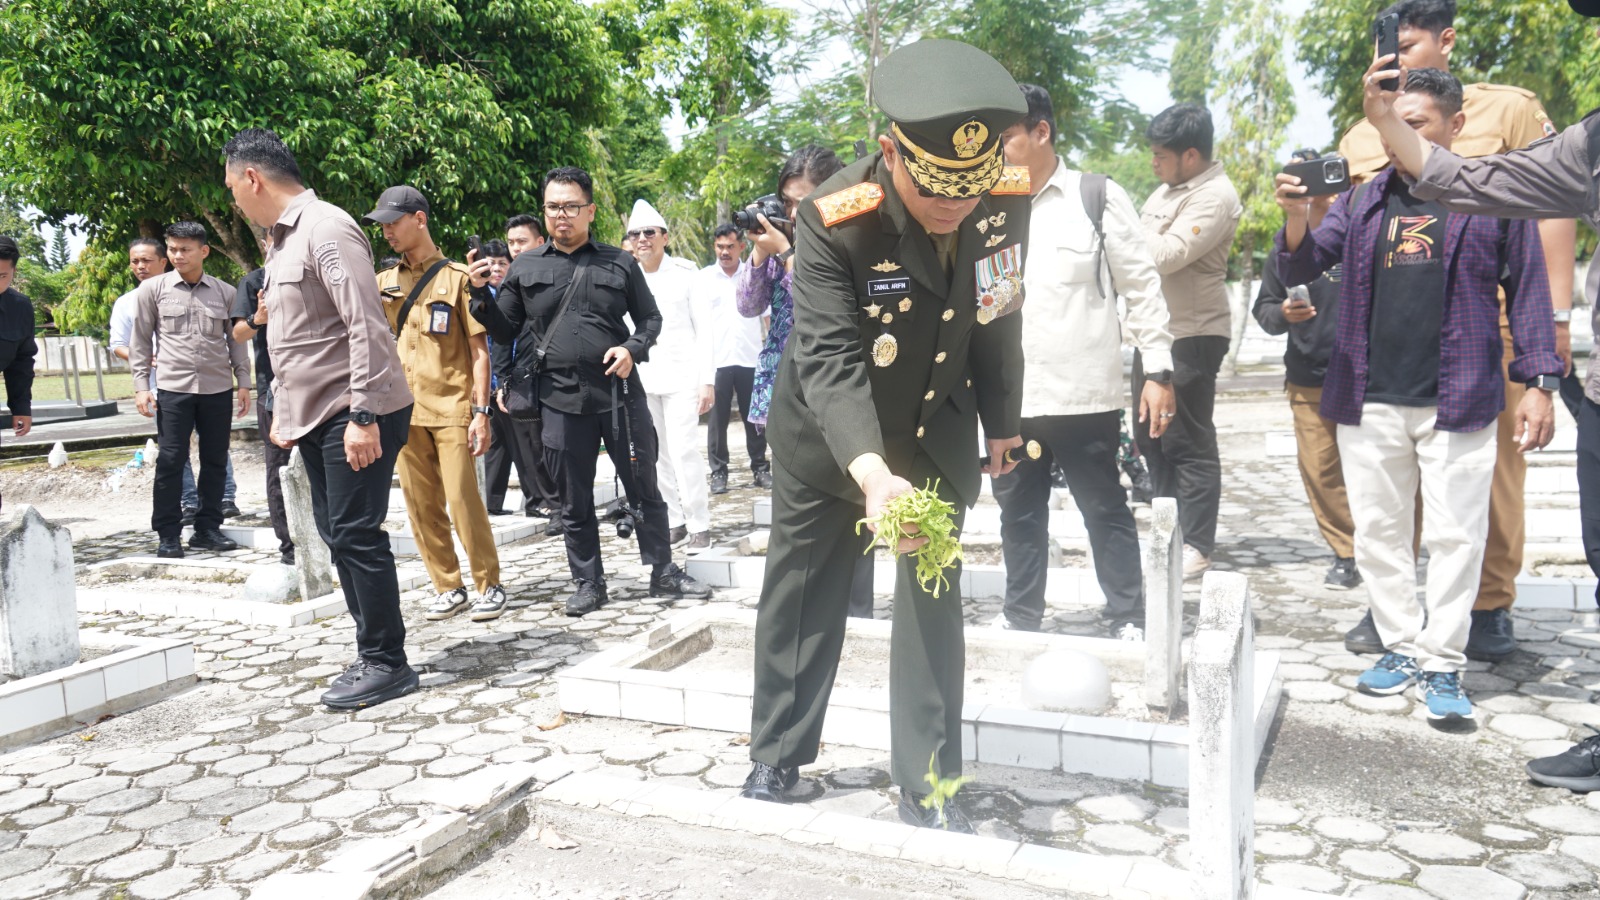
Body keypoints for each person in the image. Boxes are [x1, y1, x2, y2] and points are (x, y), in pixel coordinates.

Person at [740, 39, 1031, 833]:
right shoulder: (834, 218)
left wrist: (1003, 423)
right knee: (804, 585)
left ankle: (928, 781)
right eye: (936, 189)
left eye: (968, 190)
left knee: (932, 592)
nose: (954, 207)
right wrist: (871, 474)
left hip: (935, 426)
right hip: (827, 433)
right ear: (890, 152)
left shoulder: (1004, 200)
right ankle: (777, 754)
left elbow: (996, 313)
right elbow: (830, 358)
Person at [1350, 0, 1600, 784]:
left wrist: (1543, 365)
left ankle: (1464, 637)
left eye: (1409, 44)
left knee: (1470, 520)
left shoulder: (1511, 111)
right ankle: (1404, 644)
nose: (1398, 60)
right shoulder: (1369, 160)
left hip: (1466, 368)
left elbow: (1536, 242)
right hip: (1381, 383)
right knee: (1386, 526)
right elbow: (1327, 253)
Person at [1275, 67, 1561, 724]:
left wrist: (1540, 383)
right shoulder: (1362, 200)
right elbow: (1303, 264)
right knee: (1379, 532)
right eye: (1388, 122)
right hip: (1369, 394)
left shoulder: (1490, 194)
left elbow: (1528, 290)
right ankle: (1401, 645)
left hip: (1458, 395)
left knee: (1458, 536)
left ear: (1455, 125)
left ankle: (1444, 662)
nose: (1395, 135)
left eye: (1415, 123)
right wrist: (1296, 216)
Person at [223, 127, 418, 710]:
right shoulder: (281, 241)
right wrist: (285, 411)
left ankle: (387, 662)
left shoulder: (326, 228)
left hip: (353, 409)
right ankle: (372, 651)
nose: (234, 198)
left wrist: (363, 414)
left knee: (356, 534)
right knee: (337, 535)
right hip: (317, 414)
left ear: (252, 178)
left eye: (232, 187)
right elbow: (295, 340)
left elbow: (365, 324)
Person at [467, 167, 711, 616]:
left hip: (620, 396)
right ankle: (588, 582)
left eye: (571, 206)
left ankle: (663, 571)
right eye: (553, 207)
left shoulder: (619, 263)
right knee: (572, 496)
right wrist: (481, 294)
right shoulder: (526, 266)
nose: (562, 215)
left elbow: (651, 319)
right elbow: (504, 329)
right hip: (558, 400)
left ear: (590, 211)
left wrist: (632, 349)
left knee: (644, 485)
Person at [992, 83, 1177, 639]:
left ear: (1041, 132)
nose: (994, 150)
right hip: (1010, 399)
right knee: (1018, 512)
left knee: (1104, 507)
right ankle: (1020, 615)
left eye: (1005, 137)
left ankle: (1127, 614)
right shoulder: (986, 204)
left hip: (1082, 394)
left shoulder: (1095, 196)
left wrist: (1158, 371)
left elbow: (1141, 287)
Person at [737, 147, 882, 618]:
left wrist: (788, 254)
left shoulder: (849, 236)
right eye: (788, 202)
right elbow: (747, 305)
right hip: (786, 394)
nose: (796, 213)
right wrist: (761, 253)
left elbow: (819, 307)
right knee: (796, 517)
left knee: (852, 509)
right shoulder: (780, 239)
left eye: (806, 201)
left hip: (835, 392)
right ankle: (808, 615)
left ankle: (854, 612)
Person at [368, 185, 507, 623]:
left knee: (463, 500)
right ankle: (448, 587)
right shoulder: (382, 283)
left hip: (451, 408)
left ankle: (489, 583)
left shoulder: (459, 279)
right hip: (402, 410)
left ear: (419, 219)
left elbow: (480, 352)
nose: (387, 232)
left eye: (393, 222)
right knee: (420, 504)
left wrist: (481, 412)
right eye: (383, 225)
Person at [1137, 103, 1242, 580]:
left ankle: (1197, 544)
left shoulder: (1215, 196)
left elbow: (1167, 253)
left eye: (1161, 155)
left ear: (1192, 155)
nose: (1154, 163)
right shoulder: (1167, 191)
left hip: (1194, 334)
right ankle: (1169, 534)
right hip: (1157, 335)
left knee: (1188, 440)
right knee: (1151, 437)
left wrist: (1122, 232)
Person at [1252, 150, 1360, 591]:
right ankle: (1346, 552)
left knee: (1373, 468)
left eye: (1317, 178)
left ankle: (1383, 546)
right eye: (1298, 179)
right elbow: (1263, 310)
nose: (1310, 189)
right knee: (1320, 470)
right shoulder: (1285, 248)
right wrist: (1282, 312)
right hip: (1308, 377)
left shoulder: (1361, 236)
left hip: (1366, 377)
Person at [129, 221, 249, 559]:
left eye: (185, 249)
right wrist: (141, 386)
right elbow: (140, 341)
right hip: (173, 388)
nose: (177, 255)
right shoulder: (152, 290)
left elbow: (236, 341)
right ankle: (168, 535)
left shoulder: (225, 292)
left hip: (217, 388)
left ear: (204, 251)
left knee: (215, 460)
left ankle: (207, 529)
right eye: (172, 249)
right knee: (170, 460)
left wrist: (243, 382)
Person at [109, 238, 241, 522]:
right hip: (164, 386)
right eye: (135, 261)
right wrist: (145, 369)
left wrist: (242, 380)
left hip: (211, 385)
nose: (140, 267)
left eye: (146, 260)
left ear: (162, 261)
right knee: (173, 454)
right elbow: (122, 343)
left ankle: (222, 502)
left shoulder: (218, 291)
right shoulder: (129, 301)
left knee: (214, 448)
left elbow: (233, 339)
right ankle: (186, 505)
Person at [628, 199, 714, 548]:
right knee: (655, 454)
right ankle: (674, 520)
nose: (642, 239)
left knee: (684, 452)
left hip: (682, 378)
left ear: (665, 237)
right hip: (643, 378)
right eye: (635, 234)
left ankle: (699, 524)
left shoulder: (686, 274)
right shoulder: (625, 276)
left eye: (649, 232)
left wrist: (707, 381)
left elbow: (705, 330)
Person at [481, 239, 561, 530]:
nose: (496, 268)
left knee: (528, 445)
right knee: (499, 446)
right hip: (492, 383)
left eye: (501, 263)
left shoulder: (518, 294)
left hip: (517, 382)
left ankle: (538, 501)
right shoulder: (483, 296)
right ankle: (493, 500)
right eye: (491, 263)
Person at [229, 266, 294, 566]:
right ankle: (290, 546)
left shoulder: (318, 269)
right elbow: (238, 333)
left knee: (325, 470)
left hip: (323, 388)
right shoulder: (255, 281)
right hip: (275, 392)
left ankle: (332, 541)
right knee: (280, 469)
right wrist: (259, 318)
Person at [700, 224, 769, 493]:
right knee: (717, 422)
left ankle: (760, 469)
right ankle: (719, 473)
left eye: (730, 246)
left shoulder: (754, 274)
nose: (725, 252)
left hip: (750, 358)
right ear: (714, 247)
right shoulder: (704, 279)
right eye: (720, 247)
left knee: (755, 419)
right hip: (716, 361)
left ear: (741, 246)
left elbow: (767, 317)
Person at [0, 237, 36, 456]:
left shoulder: (20, 307)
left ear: (13, 271)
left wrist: (21, 407)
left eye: (2, 276)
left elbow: (21, 362)